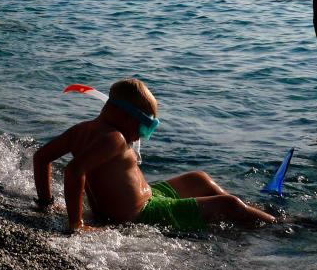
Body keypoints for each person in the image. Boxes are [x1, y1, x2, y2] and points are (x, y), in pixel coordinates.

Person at [33, 78, 276, 233]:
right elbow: (75, 171)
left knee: (198, 179)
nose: (140, 138)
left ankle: (250, 210)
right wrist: (76, 224)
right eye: (145, 128)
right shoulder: (114, 139)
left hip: (146, 198)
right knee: (229, 204)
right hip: (142, 214)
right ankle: (279, 225)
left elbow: (41, 158)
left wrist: (45, 203)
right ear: (127, 117)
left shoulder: (80, 130)